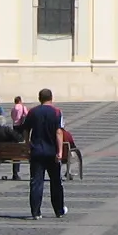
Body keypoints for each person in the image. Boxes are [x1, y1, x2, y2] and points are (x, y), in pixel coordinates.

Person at [26, 88, 68, 219]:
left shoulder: (33, 112)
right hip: (52, 152)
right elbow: (59, 132)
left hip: (36, 151)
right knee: (56, 182)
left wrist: (28, 145)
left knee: (36, 182)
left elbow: (26, 130)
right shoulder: (56, 112)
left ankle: (36, 212)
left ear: (39, 98)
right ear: (51, 98)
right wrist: (60, 151)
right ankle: (59, 210)